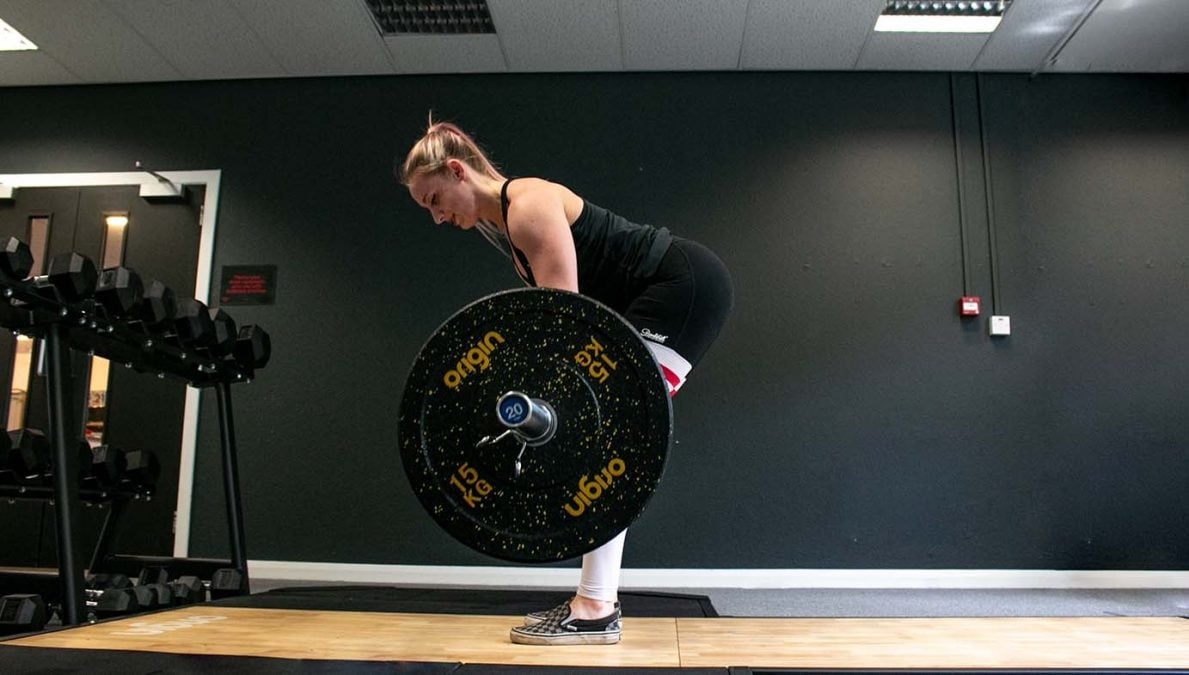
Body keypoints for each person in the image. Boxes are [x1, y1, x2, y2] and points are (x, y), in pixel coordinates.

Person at [398, 118, 733, 646]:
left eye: (435, 199)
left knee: (613, 436)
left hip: (682, 289)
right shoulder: (513, 226)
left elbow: (567, 326)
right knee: (608, 435)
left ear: (458, 171)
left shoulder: (527, 210)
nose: (438, 216)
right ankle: (596, 603)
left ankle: (596, 607)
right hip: (666, 294)